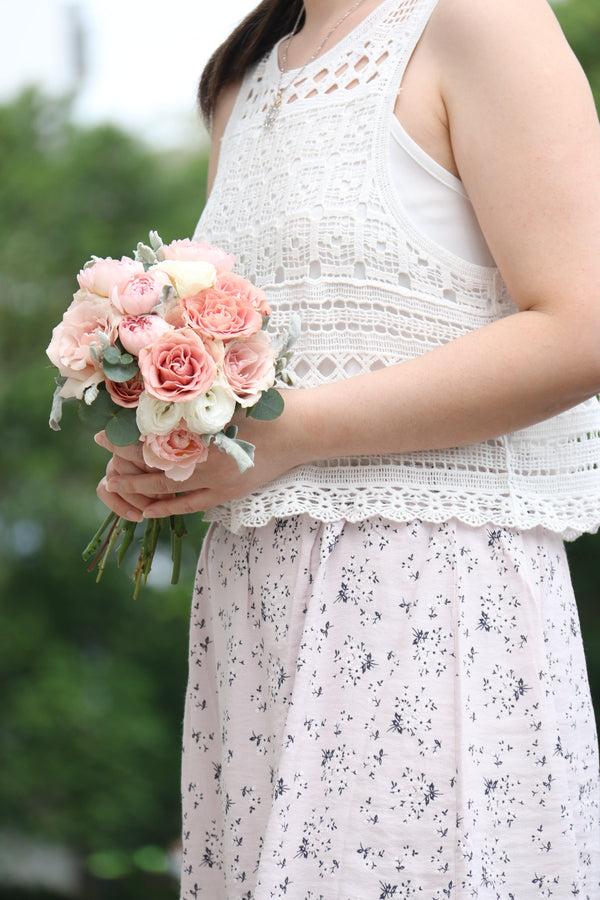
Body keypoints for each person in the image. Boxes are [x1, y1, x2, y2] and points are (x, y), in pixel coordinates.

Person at [96, 0, 600, 895]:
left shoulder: (481, 19)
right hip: (255, 615)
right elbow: (257, 364)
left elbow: (581, 328)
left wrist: (288, 435)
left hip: (433, 601)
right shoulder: (240, 79)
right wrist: (172, 443)